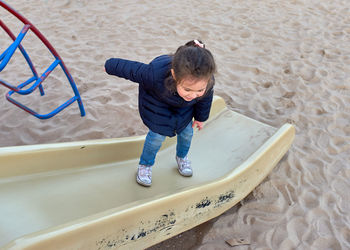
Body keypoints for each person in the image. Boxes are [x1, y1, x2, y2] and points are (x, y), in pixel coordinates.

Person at [104, 40, 216, 187]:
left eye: (199, 90)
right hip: (158, 107)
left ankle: (182, 157)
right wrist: (109, 66)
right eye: (188, 89)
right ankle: (145, 165)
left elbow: (205, 100)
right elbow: (131, 69)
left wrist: (201, 118)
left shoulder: (205, 83)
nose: (193, 95)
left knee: (187, 134)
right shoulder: (154, 73)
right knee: (156, 138)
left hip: (184, 110)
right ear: (174, 75)